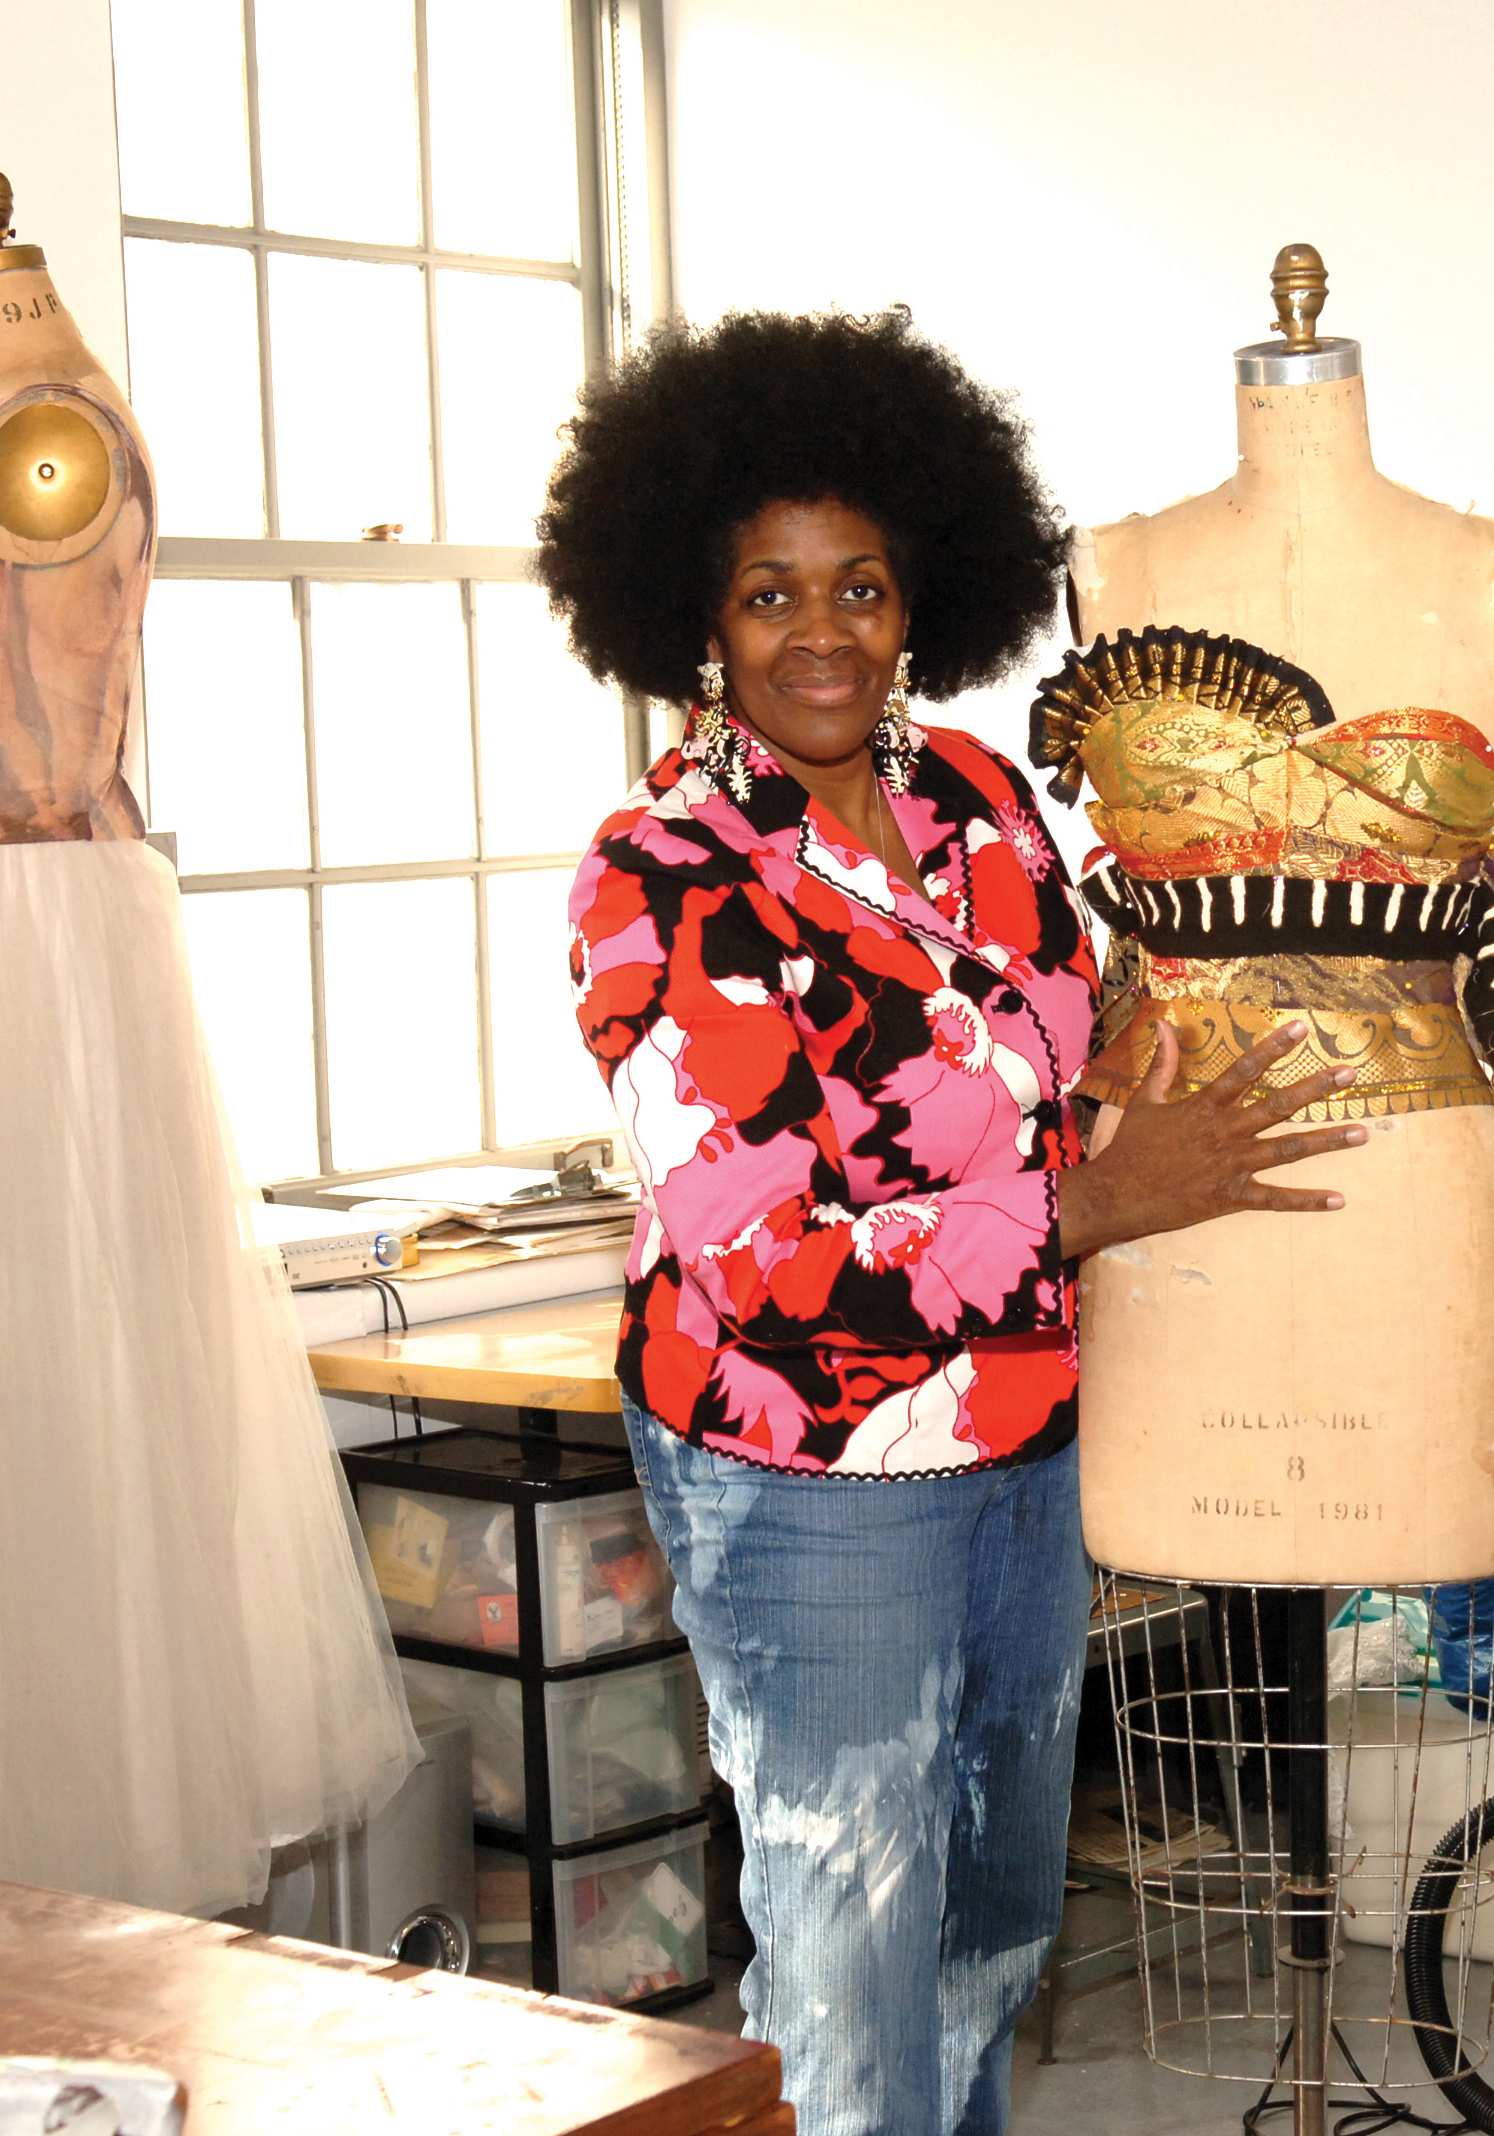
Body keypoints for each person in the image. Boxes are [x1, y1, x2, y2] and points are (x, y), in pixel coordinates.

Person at [542, 308, 1361, 2136]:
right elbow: (765, 1258)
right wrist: (1093, 1205)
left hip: (1024, 1442)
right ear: (699, 618)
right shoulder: (661, 874)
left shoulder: (981, 801)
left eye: (860, 587)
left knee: (993, 1921)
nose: (821, 633)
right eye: (769, 595)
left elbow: (1067, 1050)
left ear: (919, 598)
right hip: (811, 1466)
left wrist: (1217, 1001)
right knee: (850, 1951)